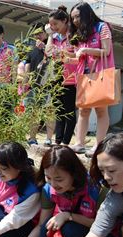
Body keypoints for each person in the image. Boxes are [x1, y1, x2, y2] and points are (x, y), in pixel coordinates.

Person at [68, 2, 115, 158]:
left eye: (77, 16)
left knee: (101, 110)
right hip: (84, 74)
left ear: (87, 14)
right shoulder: (79, 33)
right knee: (83, 110)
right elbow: (79, 57)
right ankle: (79, 143)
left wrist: (86, 50)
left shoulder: (102, 27)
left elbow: (106, 51)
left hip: (100, 73)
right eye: (72, 18)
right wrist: (66, 59)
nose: (74, 20)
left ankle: (98, 145)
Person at [45, 6, 78, 147]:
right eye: (51, 25)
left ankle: (66, 142)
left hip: (71, 78)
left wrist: (64, 54)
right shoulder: (55, 37)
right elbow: (47, 52)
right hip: (56, 77)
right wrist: (50, 36)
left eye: (55, 24)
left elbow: (79, 55)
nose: (53, 27)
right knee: (58, 111)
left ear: (65, 21)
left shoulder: (73, 36)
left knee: (69, 111)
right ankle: (58, 141)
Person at [25, 23, 55, 146]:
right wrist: (26, 80)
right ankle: (32, 138)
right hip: (34, 85)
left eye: (40, 33)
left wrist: (44, 48)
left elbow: (55, 58)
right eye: (35, 33)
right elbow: (27, 63)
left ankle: (48, 139)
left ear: (45, 33)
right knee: (34, 112)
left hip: (48, 84)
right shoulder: (32, 48)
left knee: (49, 111)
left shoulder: (51, 44)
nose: (37, 36)